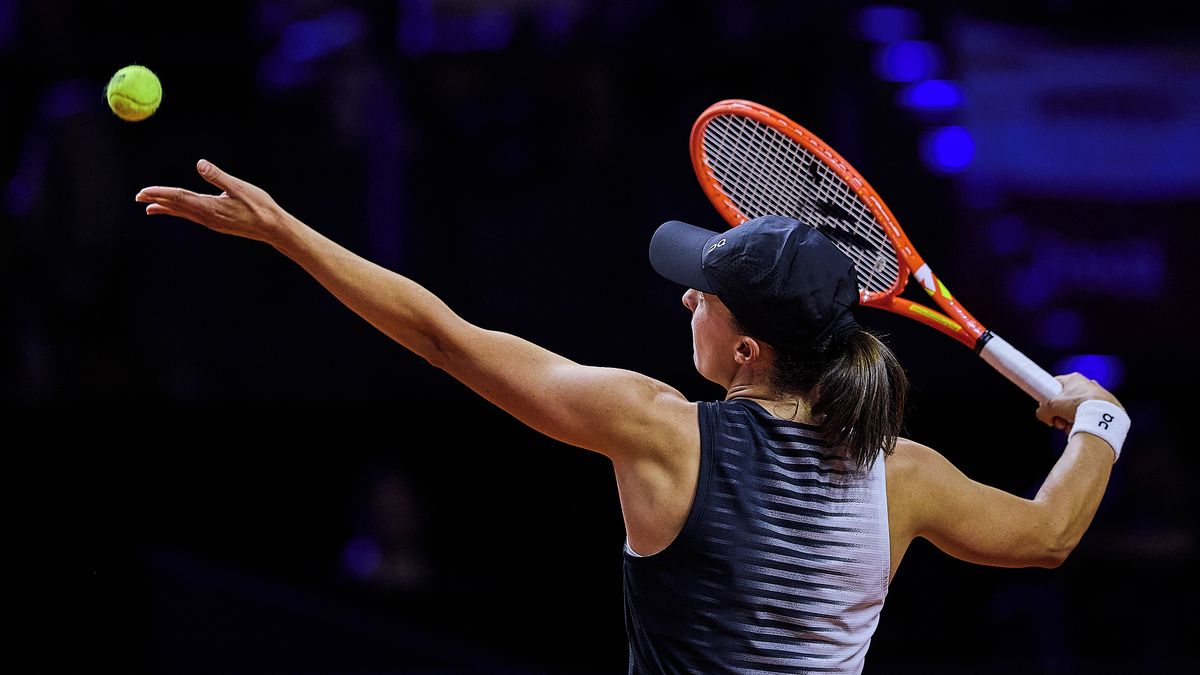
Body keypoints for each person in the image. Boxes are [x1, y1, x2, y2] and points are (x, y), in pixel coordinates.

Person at [135, 159, 1129, 674]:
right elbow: (1045, 537)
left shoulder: (660, 428)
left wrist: (282, 233)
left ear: (748, 349)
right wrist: (1100, 423)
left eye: (706, 293)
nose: (687, 299)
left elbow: (441, 336)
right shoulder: (902, 472)